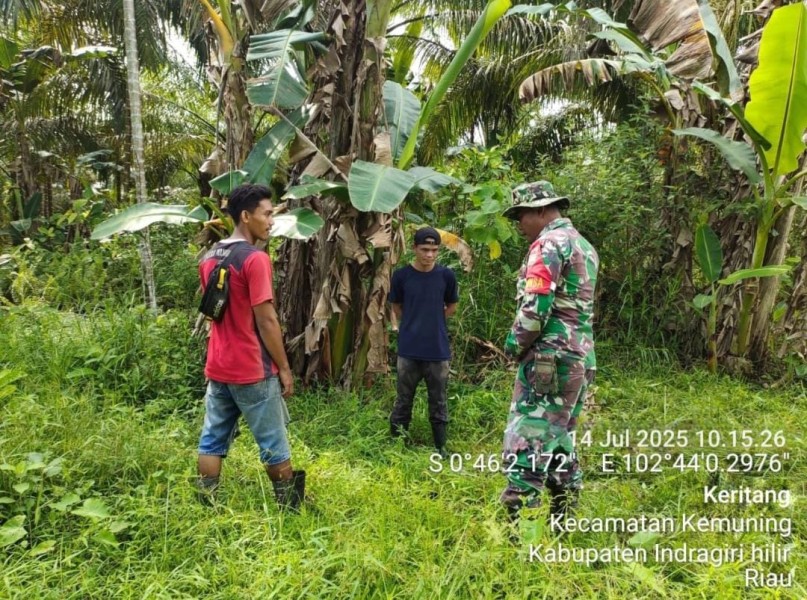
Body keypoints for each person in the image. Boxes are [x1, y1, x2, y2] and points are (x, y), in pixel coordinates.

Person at [196, 183, 304, 510]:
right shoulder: (255, 259)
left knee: (212, 440)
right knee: (274, 442)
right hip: (252, 369)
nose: (271, 221)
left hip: (218, 366)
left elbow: (216, 313)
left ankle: (205, 503)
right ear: (246, 216)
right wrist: (284, 368)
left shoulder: (209, 257)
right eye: (267, 214)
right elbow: (266, 320)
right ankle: (291, 509)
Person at [499, 181, 599, 522]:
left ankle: (518, 533)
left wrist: (513, 346)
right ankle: (564, 522)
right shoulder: (583, 245)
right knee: (560, 438)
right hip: (580, 357)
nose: (519, 224)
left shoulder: (548, 244)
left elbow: (535, 310)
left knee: (527, 436)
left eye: (521, 216)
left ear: (541, 210)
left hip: (549, 359)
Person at [388, 226, 459, 457]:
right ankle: (397, 444)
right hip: (409, 350)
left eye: (434, 250)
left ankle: (441, 447)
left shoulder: (446, 275)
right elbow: (396, 306)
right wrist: (413, 322)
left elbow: (452, 306)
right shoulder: (401, 276)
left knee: (438, 400)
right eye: (425, 249)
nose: (429, 255)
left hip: (437, 350)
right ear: (414, 248)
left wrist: (433, 320)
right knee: (403, 399)